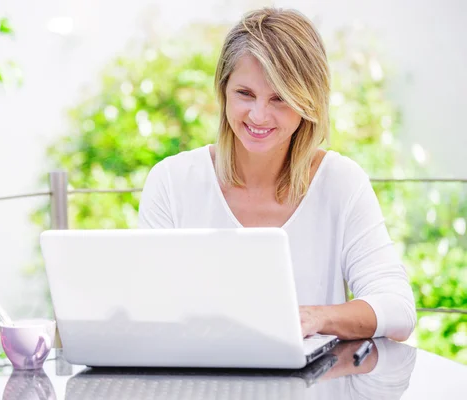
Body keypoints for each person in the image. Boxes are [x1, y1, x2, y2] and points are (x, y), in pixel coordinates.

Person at [137, 7, 416, 341]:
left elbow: (397, 309)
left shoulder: (340, 182)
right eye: (245, 94)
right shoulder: (172, 181)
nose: (258, 115)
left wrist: (314, 318)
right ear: (223, 90)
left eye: (279, 99)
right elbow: (148, 307)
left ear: (307, 102)